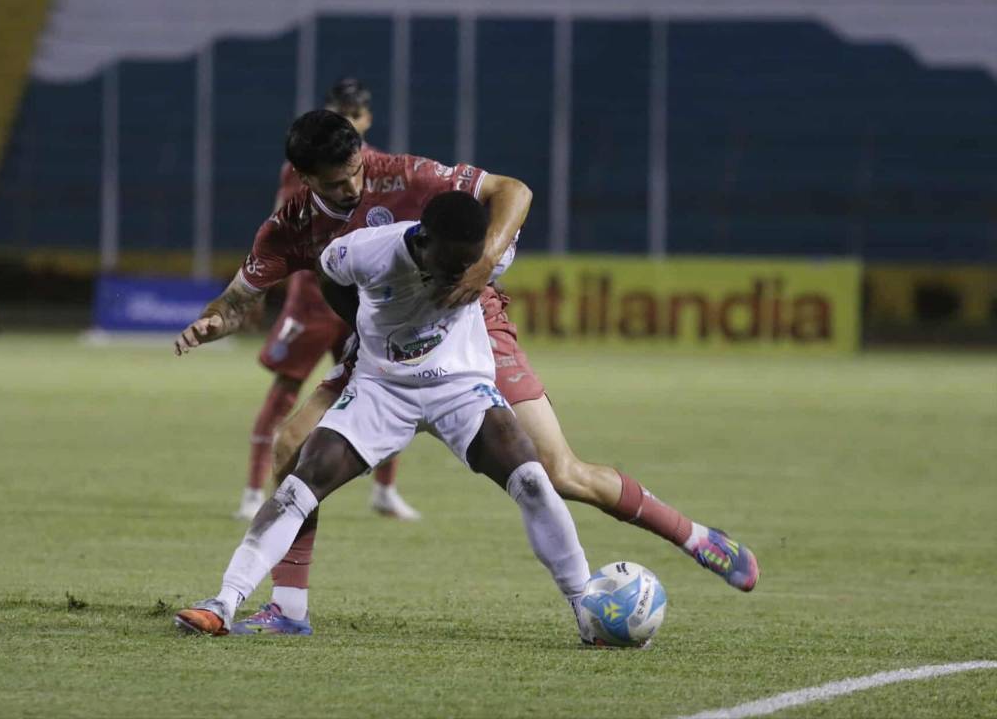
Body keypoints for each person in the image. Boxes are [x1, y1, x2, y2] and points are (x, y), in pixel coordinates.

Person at [175, 110, 758, 634]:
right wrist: (209, 324)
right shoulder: (295, 225)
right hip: (385, 350)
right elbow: (238, 300)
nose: (354, 185)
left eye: (356, 170)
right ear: (304, 179)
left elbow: (513, 190)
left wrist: (480, 267)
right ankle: (288, 609)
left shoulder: (404, 175)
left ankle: (695, 537)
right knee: (291, 448)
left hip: (470, 322)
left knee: (558, 472)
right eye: (336, 182)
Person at [175, 192, 595, 643]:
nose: (461, 274)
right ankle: (223, 602)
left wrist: (482, 264)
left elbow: (516, 197)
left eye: (469, 264)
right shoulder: (366, 249)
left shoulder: (489, 253)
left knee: (531, 478)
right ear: (424, 240)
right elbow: (329, 274)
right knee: (301, 482)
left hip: (461, 386)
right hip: (382, 389)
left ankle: (589, 609)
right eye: (451, 263)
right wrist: (362, 326)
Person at [237, 78, 419, 522]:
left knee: (383, 392)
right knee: (285, 391)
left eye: (356, 114)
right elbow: (282, 230)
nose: (351, 120)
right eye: (342, 112)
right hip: (311, 301)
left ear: (367, 119)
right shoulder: (302, 167)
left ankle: (385, 491)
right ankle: (251, 490)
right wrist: (257, 287)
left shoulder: (380, 167)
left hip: (366, 304)